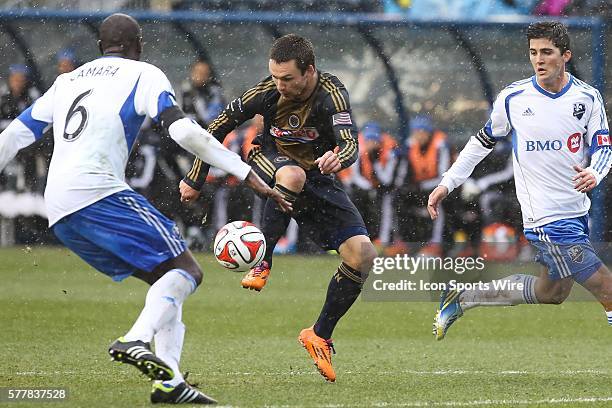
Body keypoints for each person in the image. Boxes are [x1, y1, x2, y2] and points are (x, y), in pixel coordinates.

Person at [0, 13, 290, 404]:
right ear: (138, 45)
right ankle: (135, 339)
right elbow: (183, 130)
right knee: (187, 270)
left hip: (60, 208)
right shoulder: (143, 73)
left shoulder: (66, 81)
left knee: (166, 279)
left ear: (101, 47)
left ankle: (169, 381)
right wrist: (242, 170)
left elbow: (16, 134)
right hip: (99, 192)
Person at [179, 34, 377, 382]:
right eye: (275, 77)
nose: (279, 85)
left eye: (287, 78)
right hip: (269, 162)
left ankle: (319, 334)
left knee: (363, 256)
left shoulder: (332, 94)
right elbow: (215, 127)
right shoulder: (266, 92)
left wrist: (338, 158)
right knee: (292, 173)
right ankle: (262, 259)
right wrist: (196, 177)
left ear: (310, 71)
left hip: (318, 177)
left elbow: (350, 145)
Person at [428, 21, 611, 340]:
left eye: (547, 53)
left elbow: (604, 149)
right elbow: (480, 142)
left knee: (551, 291)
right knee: (607, 290)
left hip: (575, 213)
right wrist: (448, 182)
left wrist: (595, 171)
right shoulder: (514, 98)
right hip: (544, 219)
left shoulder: (588, 98)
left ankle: (463, 296)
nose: (539, 60)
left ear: (565, 55)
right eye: (533, 53)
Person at [395, 114, 450, 256]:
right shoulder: (409, 145)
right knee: (398, 198)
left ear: (428, 132)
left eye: (421, 132)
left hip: (441, 187)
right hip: (419, 188)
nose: (418, 136)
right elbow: (402, 175)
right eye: (415, 132)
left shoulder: (441, 145)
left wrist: (421, 186)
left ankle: (435, 244)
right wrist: (405, 187)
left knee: (439, 200)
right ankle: (403, 242)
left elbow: (444, 176)